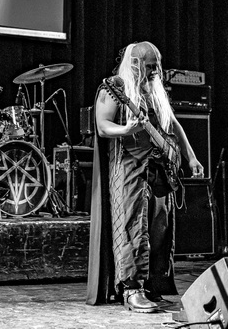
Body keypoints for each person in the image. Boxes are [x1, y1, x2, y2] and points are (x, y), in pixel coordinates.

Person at [86, 41, 204, 313]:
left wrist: (191, 156)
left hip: (158, 166)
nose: (155, 72)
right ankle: (131, 289)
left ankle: (153, 284)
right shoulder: (114, 86)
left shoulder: (154, 89)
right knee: (132, 226)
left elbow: (172, 123)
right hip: (129, 164)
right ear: (135, 64)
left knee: (160, 227)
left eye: (157, 66)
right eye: (150, 66)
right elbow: (103, 126)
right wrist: (126, 129)